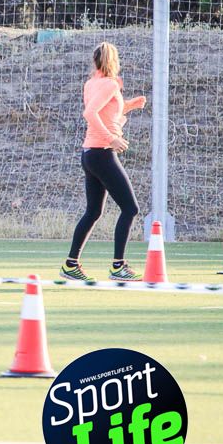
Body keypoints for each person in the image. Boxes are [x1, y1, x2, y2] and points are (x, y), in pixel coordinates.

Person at [61, 42, 146, 282]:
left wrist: (129, 105)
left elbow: (106, 112)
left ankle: (70, 265)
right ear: (113, 61)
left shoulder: (92, 83)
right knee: (131, 208)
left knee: (93, 211)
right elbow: (90, 113)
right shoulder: (109, 84)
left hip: (89, 154)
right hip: (102, 153)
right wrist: (112, 139)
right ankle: (118, 266)